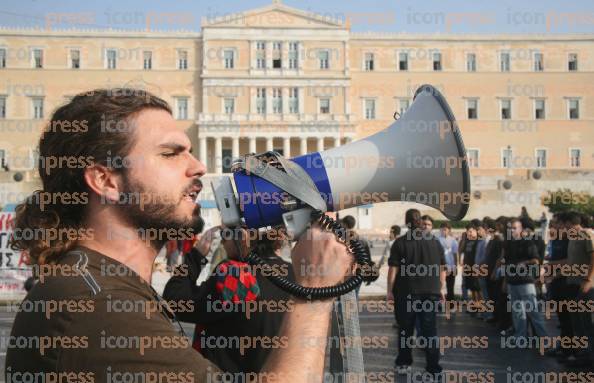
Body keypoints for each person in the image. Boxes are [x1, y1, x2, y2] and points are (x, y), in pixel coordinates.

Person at [6, 89, 354, 383]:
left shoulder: (96, 284)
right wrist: (314, 292)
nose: (199, 166)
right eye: (170, 154)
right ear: (106, 181)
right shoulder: (95, 303)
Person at [163, 233, 293, 374]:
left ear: (243, 236)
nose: (223, 242)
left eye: (225, 235)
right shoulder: (295, 274)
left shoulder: (235, 275)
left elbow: (175, 301)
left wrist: (196, 256)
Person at [387, 209, 445, 378]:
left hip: (407, 293)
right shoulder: (434, 242)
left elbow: (393, 269)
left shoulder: (400, 243)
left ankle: (404, 363)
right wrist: (441, 288)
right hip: (431, 292)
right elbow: (443, 267)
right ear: (420, 222)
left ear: (406, 223)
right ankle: (433, 366)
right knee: (430, 330)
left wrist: (389, 291)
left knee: (405, 329)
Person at [502, 218, 548, 346]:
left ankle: (544, 339)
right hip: (512, 281)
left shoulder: (528, 242)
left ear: (521, 229)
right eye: (510, 228)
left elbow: (536, 260)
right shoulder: (508, 243)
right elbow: (506, 263)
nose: (512, 230)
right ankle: (520, 337)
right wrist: (505, 281)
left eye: (514, 228)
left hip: (526, 281)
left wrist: (525, 263)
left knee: (533, 311)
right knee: (517, 312)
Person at [562, 212, 594, 367]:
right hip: (573, 285)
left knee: (588, 321)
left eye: (563, 225)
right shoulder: (572, 238)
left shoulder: (587, 234)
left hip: (586, 285)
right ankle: (583, 353)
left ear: (569, 223)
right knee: (578, 321)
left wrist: (588, 279)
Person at [438, 222, 458, 302]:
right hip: (441, 267)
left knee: (450, 287)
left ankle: (451, 305)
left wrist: (455, 267)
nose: (443, 231)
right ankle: (439, 304)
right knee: (439, 287)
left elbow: (455, 254)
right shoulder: (437, 240)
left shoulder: (453, 241)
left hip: (451, 267)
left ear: (449, 230)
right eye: (442, 229)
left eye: (445, 229)